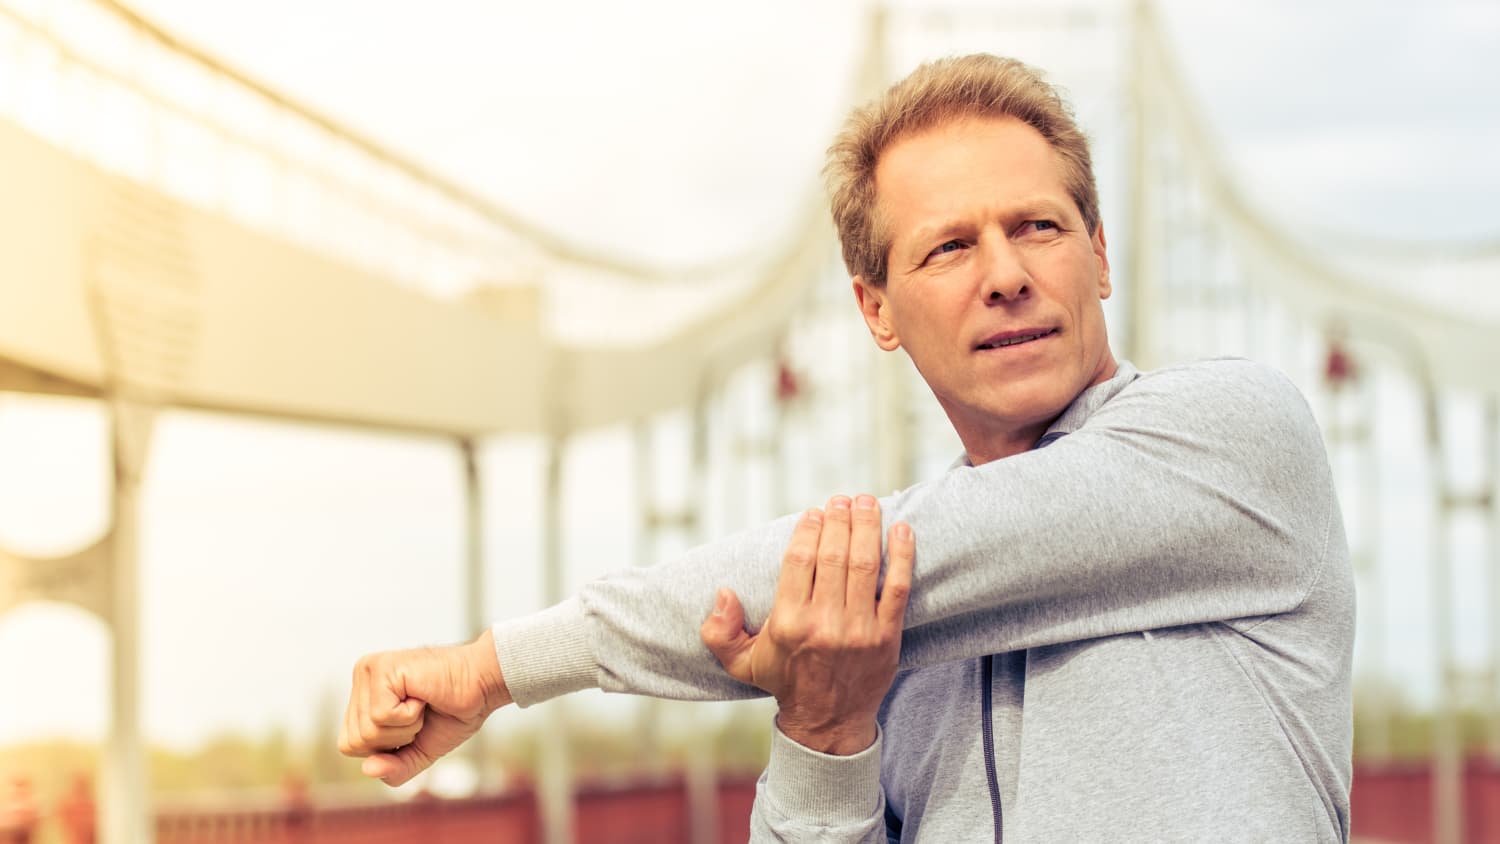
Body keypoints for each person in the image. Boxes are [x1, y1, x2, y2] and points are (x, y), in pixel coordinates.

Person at [340, 54, 1353, 841]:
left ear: (1100, 256)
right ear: (876, 308)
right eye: (950, 246)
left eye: (1039, 227)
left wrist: (495, 665)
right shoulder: (859, 634)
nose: (1004, 274)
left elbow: (874, 557)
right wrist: (824, 729)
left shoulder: (1237, 436)